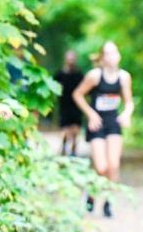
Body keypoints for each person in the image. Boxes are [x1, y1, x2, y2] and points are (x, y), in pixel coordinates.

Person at [72, 41, 134, 218]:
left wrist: (127, 114)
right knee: (101, 167)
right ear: (102, 58)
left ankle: (108, 202)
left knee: (113, 165)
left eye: (114, 52)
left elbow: (128, 101)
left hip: (113, 123)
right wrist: (91, 114)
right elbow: (77, 94)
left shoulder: (124, 77)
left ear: (119, 56)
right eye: (107, 53)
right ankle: (91, 195)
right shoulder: (94, 76)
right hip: (97, 124)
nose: (112, 57)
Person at [54, 50, 84, 156]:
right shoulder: (59, 74)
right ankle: (63, 148)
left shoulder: (79, 74)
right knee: (65, 130)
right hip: (64, 105)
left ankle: (74, 151)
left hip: (76, 106)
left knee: (76, 130)